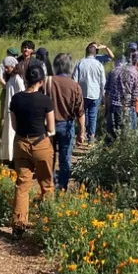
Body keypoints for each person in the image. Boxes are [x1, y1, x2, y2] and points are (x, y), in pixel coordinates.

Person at [10, 64, 55, 237]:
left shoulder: (16, 99)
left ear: (26, 80)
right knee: (46, 184)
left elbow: (14, 125)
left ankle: (18, 225)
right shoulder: (45, 100)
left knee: (22, 185)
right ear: (41, 82)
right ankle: (48, 222)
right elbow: (50, 128)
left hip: (21, 142)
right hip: (40, 142)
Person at [45, 53, 86, 190]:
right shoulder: (74, 86)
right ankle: (61, 187)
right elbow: (80, 112)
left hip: (47, 125)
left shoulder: (47, 82)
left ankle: (48, 185)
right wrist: (82, 132)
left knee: (49, 157)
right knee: (65, 159)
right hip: (67, 125)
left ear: (55, 66)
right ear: (70, 67)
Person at [105, 51, 138, 141]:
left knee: (110, 137)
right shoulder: (136, 75)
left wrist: (106, 110)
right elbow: (137, 98)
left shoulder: (114, 70)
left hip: (113, 107)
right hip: (127, 109)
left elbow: (107, 92)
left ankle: (107, 152)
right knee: (128, 138)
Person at [72, 44, 107, 143]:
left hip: (82, 93)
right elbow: (102, 81)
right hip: (95, 94)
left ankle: (82, 132)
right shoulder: (99, 64)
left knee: (82, 114)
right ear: (95, 53)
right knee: (93, 115)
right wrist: (104, 95)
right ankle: (91, 135)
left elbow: (74, 80)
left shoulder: (80, 63)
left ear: (86, 52)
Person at [0, 59, 26, 165]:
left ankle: (13, 158)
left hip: (14, 112)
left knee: (12, 135)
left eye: (7, 67)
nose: (6, 70)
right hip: (9, 111)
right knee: (7, 135)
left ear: (13, 66)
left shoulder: (17, 79)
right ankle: (7, 157)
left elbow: (22, 94)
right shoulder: (11, 78)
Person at [0, 48, 20, 136]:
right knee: (4, 113)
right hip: (6, 90)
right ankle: (1, 133)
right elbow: (0, 78)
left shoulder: (17, 64)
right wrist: (7, 87)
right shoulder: (3, 64)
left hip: (15, 91)